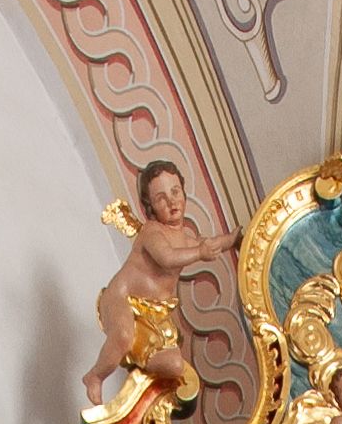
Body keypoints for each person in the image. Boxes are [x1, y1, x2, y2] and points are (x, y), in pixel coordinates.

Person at [84, 159, 236, 406]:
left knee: (175, 365)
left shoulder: (186, 239)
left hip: (154, 313)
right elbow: (167, 258)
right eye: (161, 198)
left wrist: (234, 239)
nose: (172, 201)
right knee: (123, 336)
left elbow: (212, 244)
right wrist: (200, 253)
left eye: (175, 192)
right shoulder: (152, 231)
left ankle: (142, 374)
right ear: (151, 207)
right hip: (122, 298)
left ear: (184, 193)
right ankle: (95, 376)